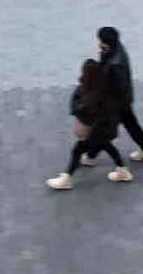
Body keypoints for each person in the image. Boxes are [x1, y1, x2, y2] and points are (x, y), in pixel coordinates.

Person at [46, 58, 132, 190]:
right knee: (106, 145)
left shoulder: (86, 91)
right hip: (105, 128)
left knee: (78, 150)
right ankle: (122, 170)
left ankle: (66, 178)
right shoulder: (106, 90)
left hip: (93, 129)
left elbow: (78, 108)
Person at [97, 26, 143, 162]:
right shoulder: (116, 51)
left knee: (102, 128)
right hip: (122, 100)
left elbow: (117, 85)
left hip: (116, 101)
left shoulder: (115, 64)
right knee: (130, 124)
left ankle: (91, 155)